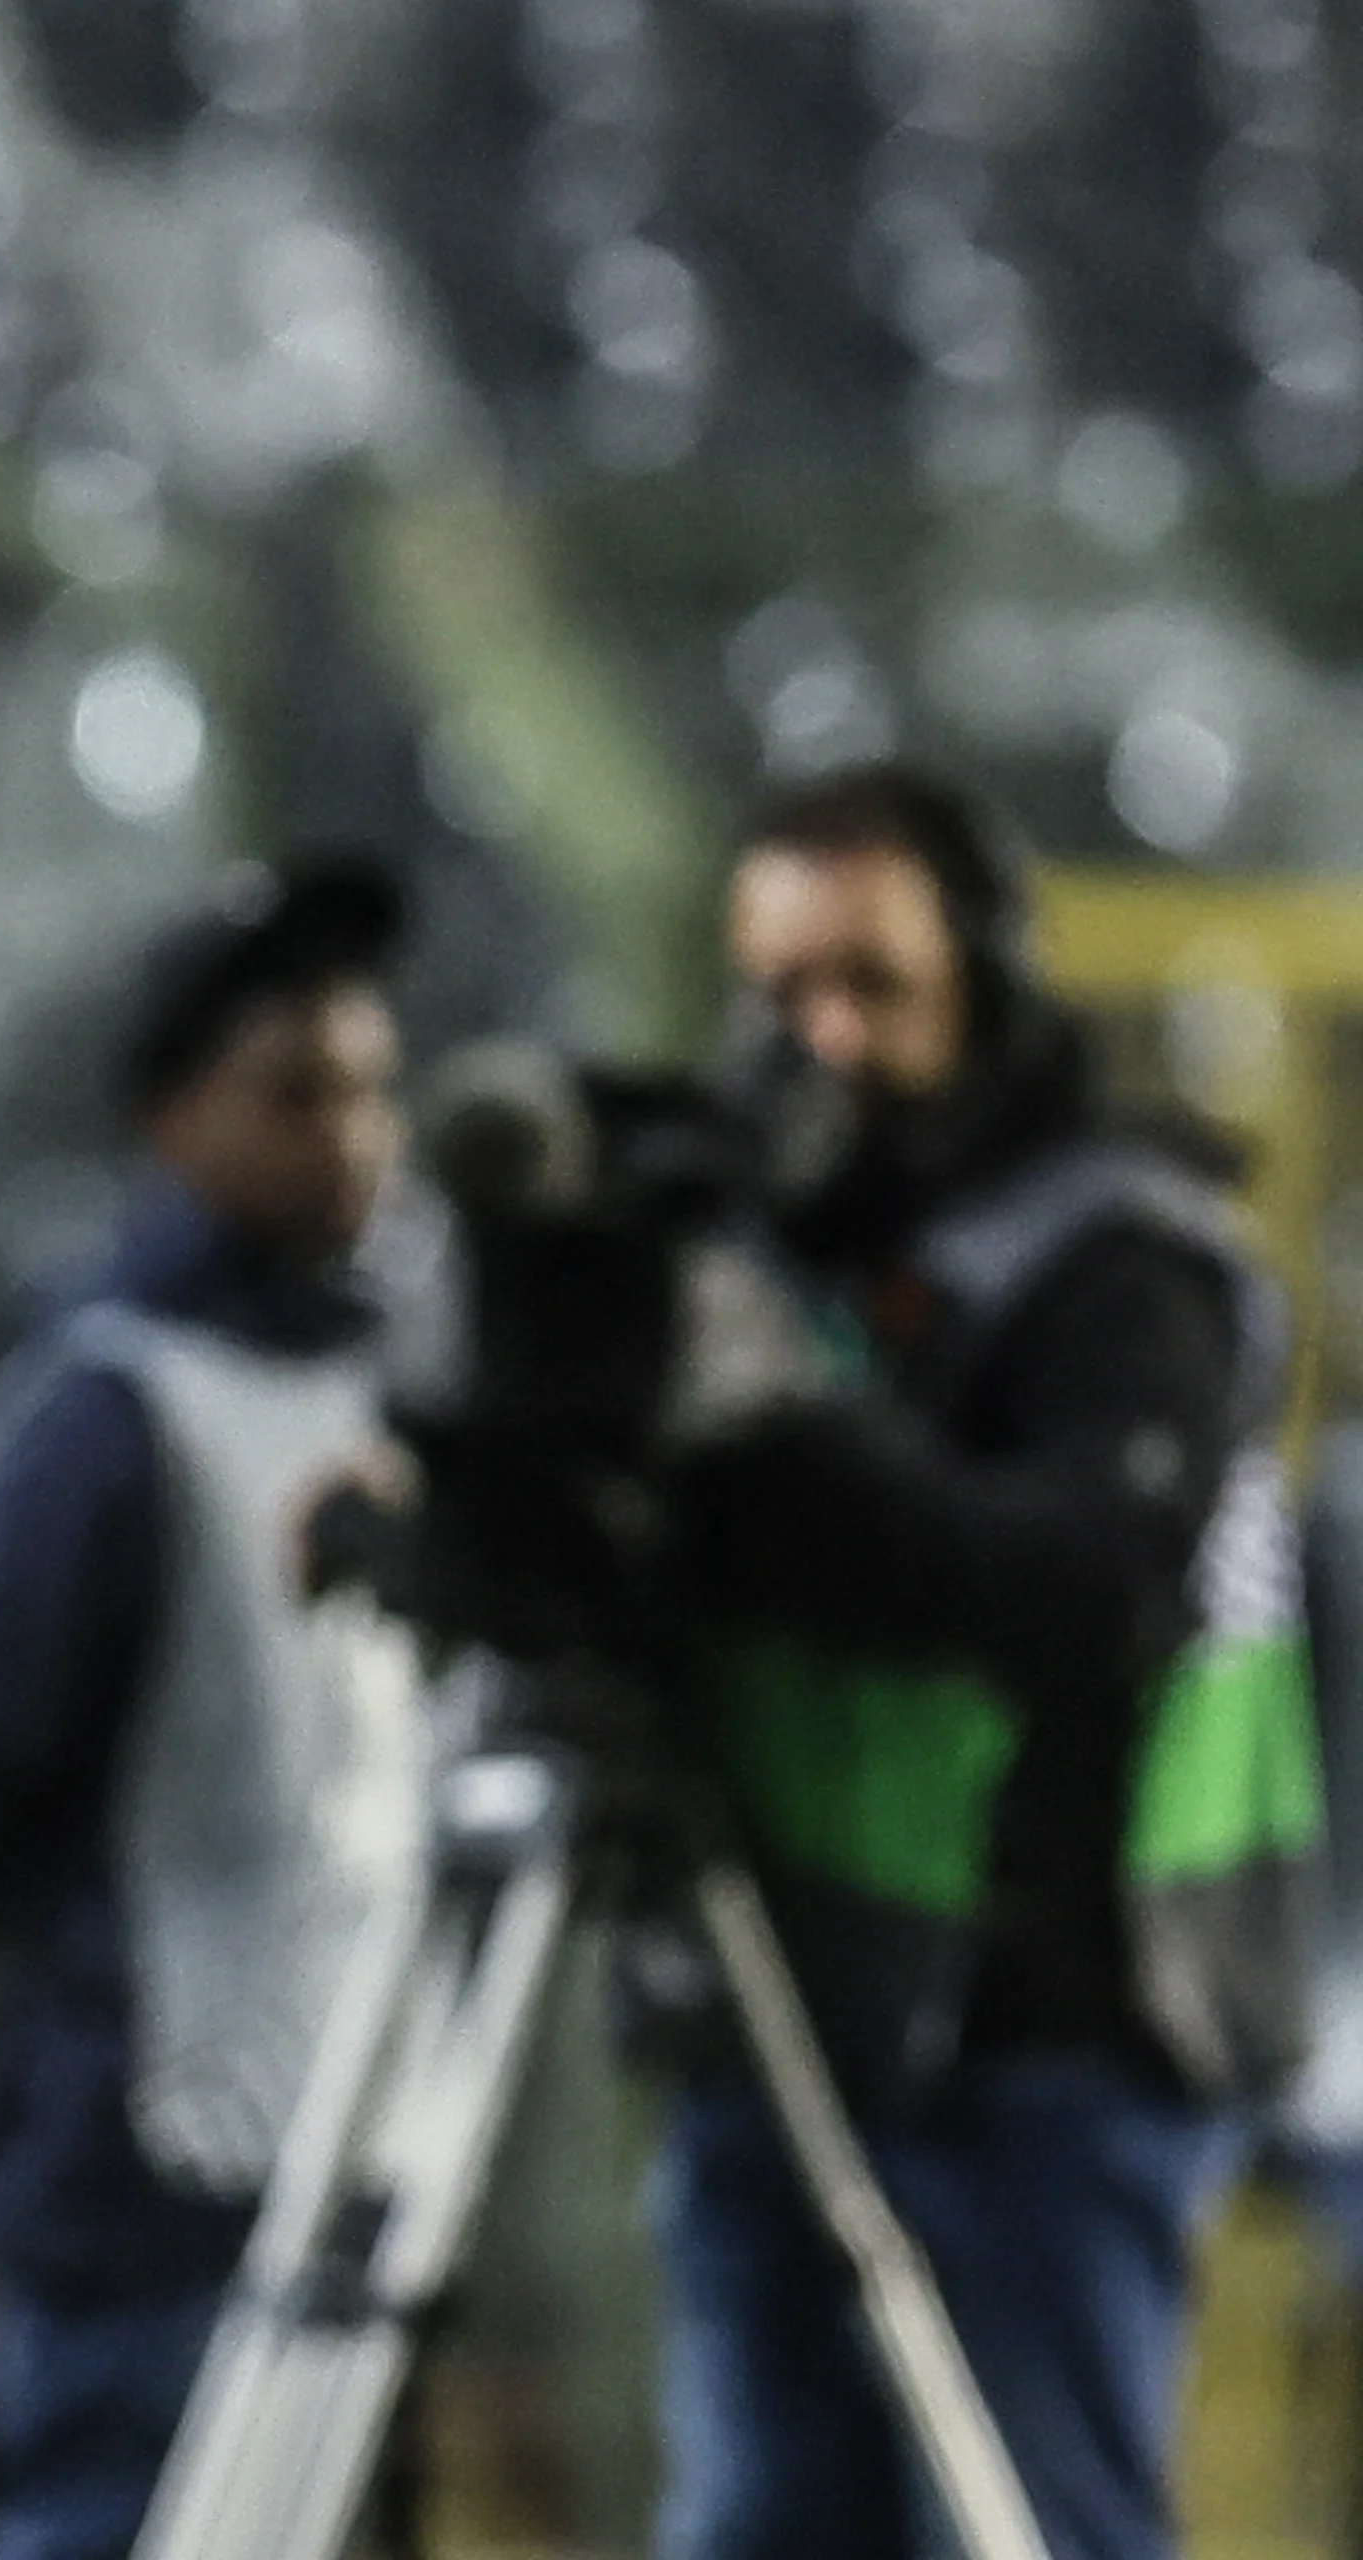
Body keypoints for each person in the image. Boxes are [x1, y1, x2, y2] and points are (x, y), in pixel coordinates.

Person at [647, 761, 1319, 2560]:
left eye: (876, 985)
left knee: (1028, 2524)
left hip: (1066, 2032)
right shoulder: (755, 1262)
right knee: (766, 2521)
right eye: (782, 994)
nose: (828, 1043)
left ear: (991, 984)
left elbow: (1075, 1586)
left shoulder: (1125, 1272)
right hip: (798, 2018)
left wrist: (786, 1432)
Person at [0, 856, 422, 2560]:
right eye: (293, 1094)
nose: (351, 1140)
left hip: (353, 2115)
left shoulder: (386, 1371)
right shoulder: (103, 1415)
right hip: (149, 2125)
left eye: (374, 1089)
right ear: (173, 1117)